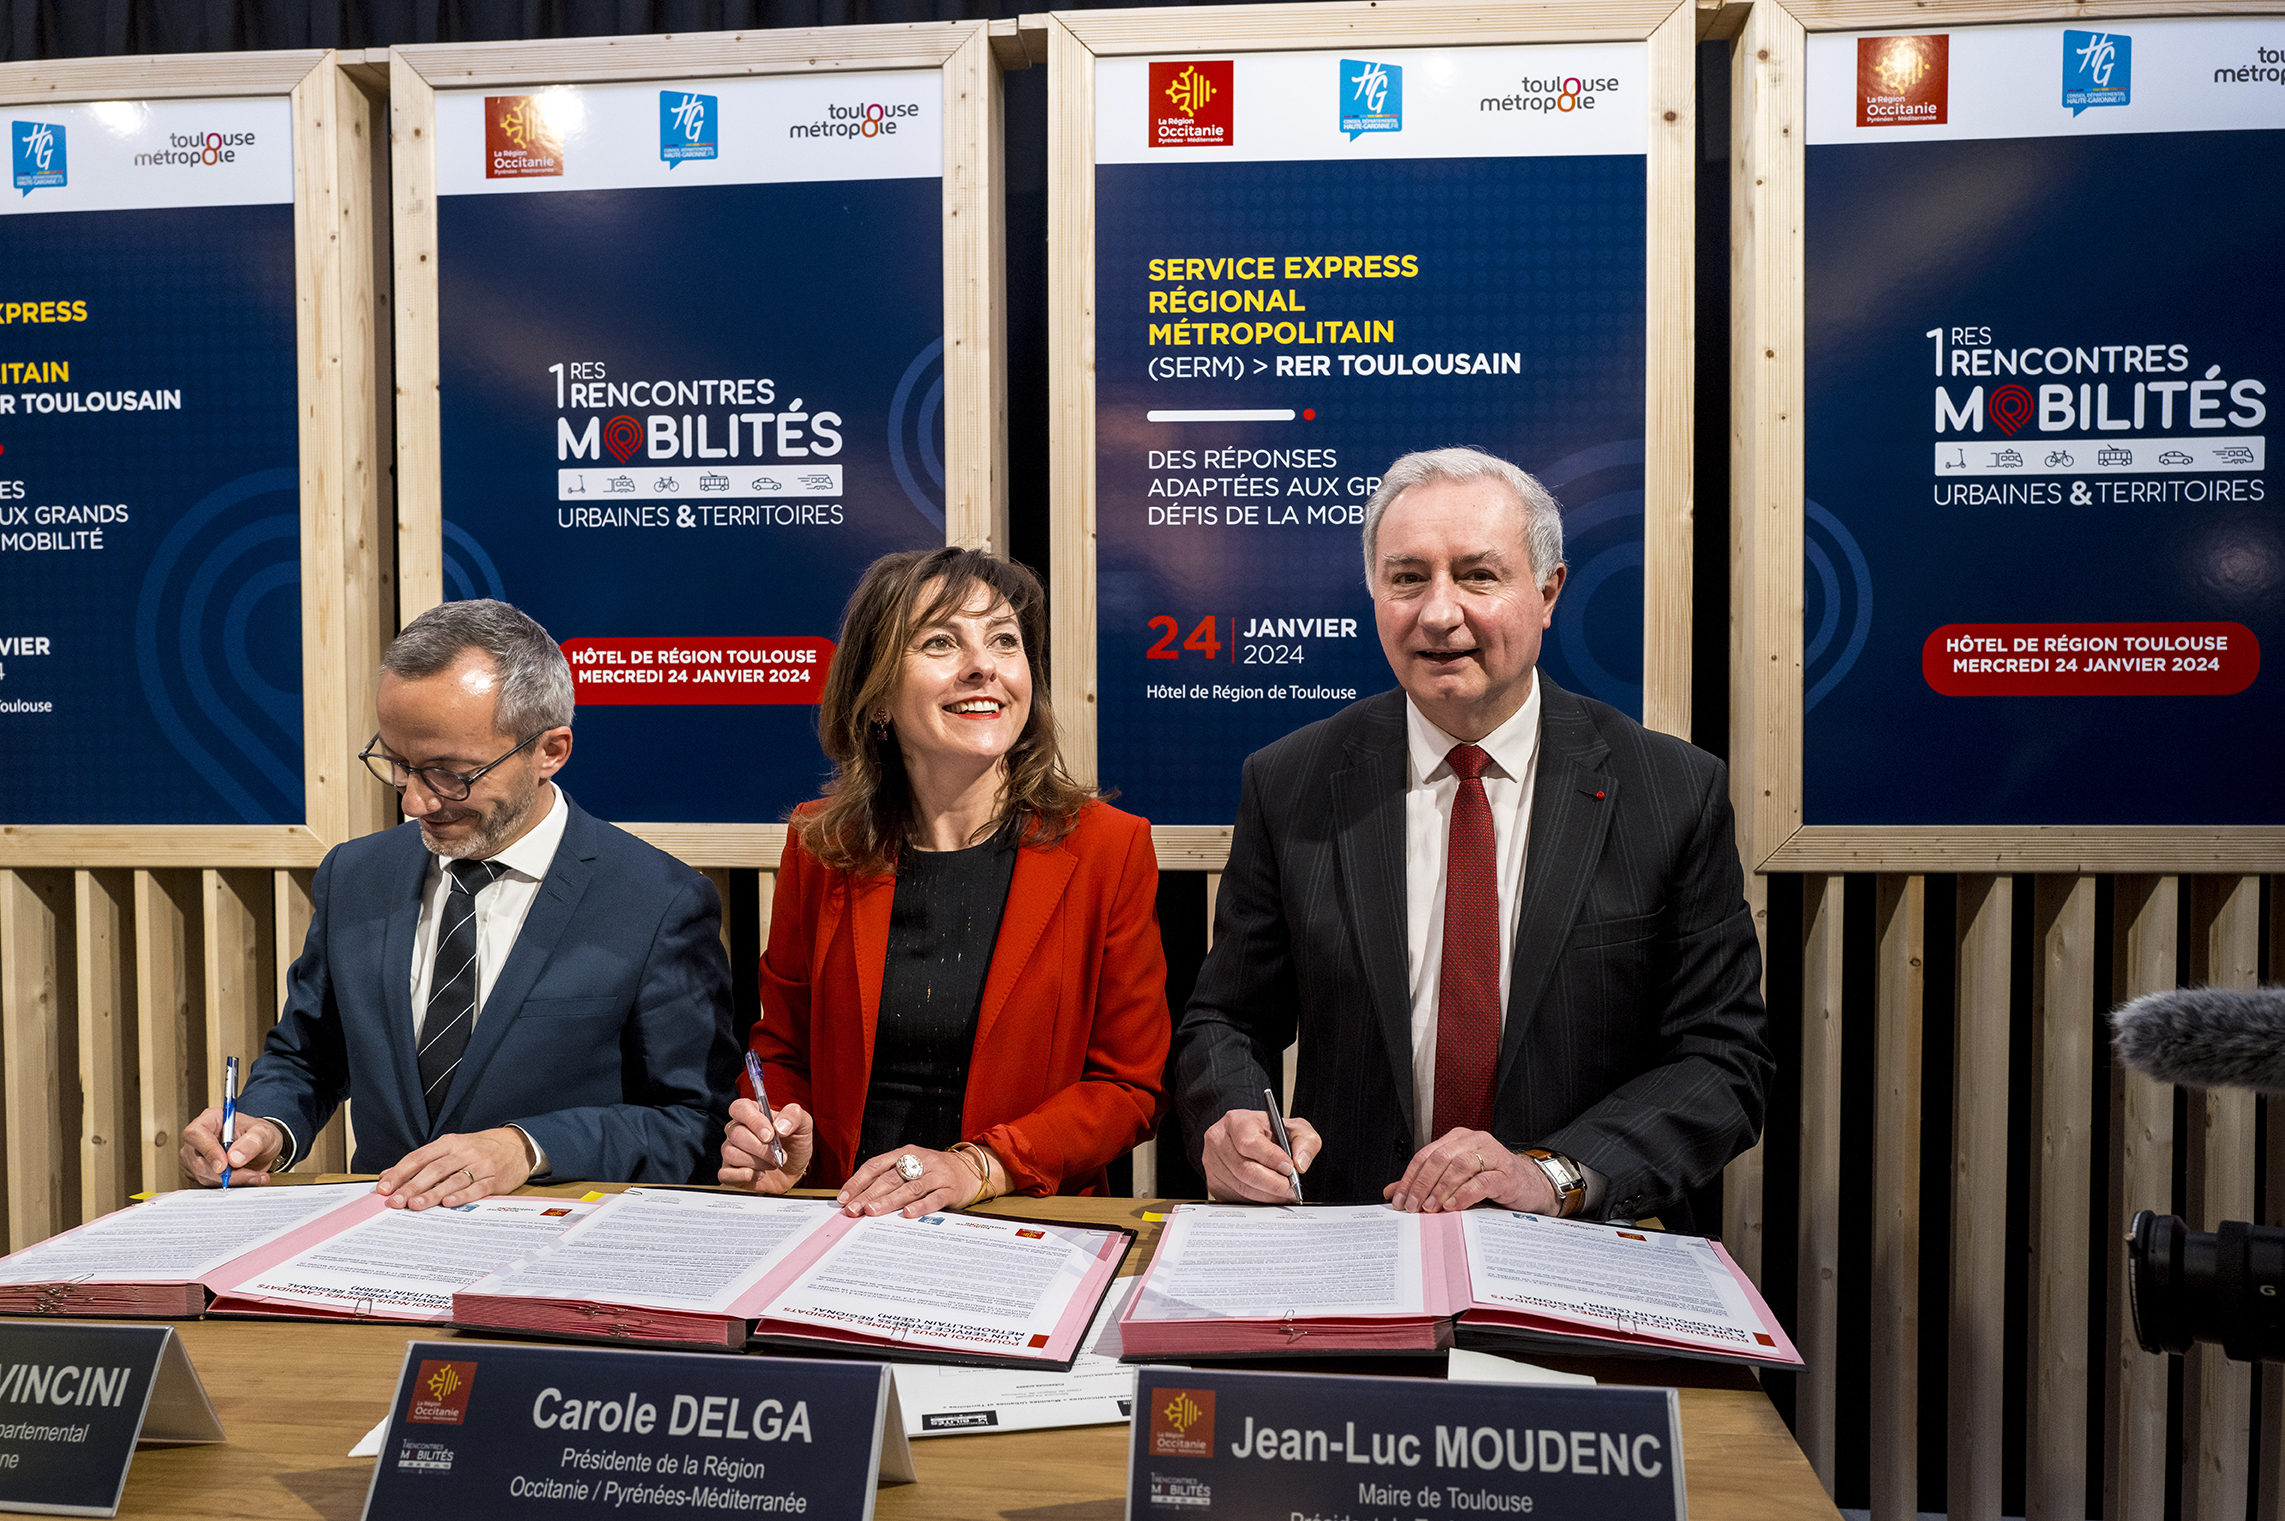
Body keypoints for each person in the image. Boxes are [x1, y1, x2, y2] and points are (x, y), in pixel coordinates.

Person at [1174, 447, 1770, 1229]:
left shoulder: (1668, 792)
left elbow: (1721, 1063)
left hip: (1571, 1247)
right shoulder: (1292, 782)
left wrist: (1550, 1173)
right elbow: (1227, 1019)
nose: (1437, 612)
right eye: (1407, 577)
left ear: (1548, 592)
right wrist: (1230, 1117)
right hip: (1354, 1240)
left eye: (1478, 575)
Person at [179, 599, 738, 1208]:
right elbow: (309, 1055)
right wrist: (264, 1129)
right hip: (376, 1262)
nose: (415, 802)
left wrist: (527, 1148)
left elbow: (698, 1125)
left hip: (554, 1266)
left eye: (450, 774)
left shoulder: (658, 900)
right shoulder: (356, 875)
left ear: (550, 750)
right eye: (398, 764)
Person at [719, 547, 1168, 1217]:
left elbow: (1127, 1087)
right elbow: (782, 1046)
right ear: (877, 698)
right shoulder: (821, 844)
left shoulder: (1107, 847)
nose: (983, 665)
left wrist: (980, 1166)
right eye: (940, 641)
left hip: (1021, 1224)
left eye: (1004, 641)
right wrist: (778, 1129)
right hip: (842, 1221)